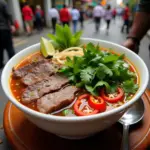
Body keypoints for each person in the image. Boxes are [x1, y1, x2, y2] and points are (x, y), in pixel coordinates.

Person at [0, 0, 15, 69]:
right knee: (10, 48)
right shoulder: (2, 2)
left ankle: (1, 65)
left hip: (3, 29)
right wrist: (12, 24)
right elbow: (8, 14)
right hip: (4, 29)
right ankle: (13, 65)